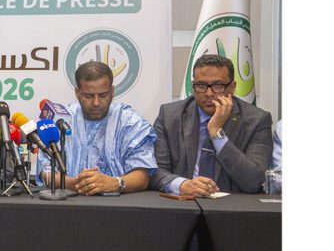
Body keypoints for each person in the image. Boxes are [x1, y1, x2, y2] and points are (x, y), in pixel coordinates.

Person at [150, 54, 273, 195]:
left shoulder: (257, 120)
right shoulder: (169, 116)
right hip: (183, 201)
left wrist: (216, 133)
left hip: (231, 204)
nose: (209, 93)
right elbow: (154, 171)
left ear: (232, 87)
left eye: (217, 85)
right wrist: (182, 184)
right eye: (201, 85)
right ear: (193, 86)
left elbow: (254, 181)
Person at [36, 61, 157, 195]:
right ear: (77, 92)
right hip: (68, 201)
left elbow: (143, 175)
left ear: (112, 91)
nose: (96, 103)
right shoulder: (60, 120)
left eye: (103, 95)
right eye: (88, 96)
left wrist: (114, 183)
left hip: (121, 204)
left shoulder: (131, 122)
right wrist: (74, 183)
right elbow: (45, 171)